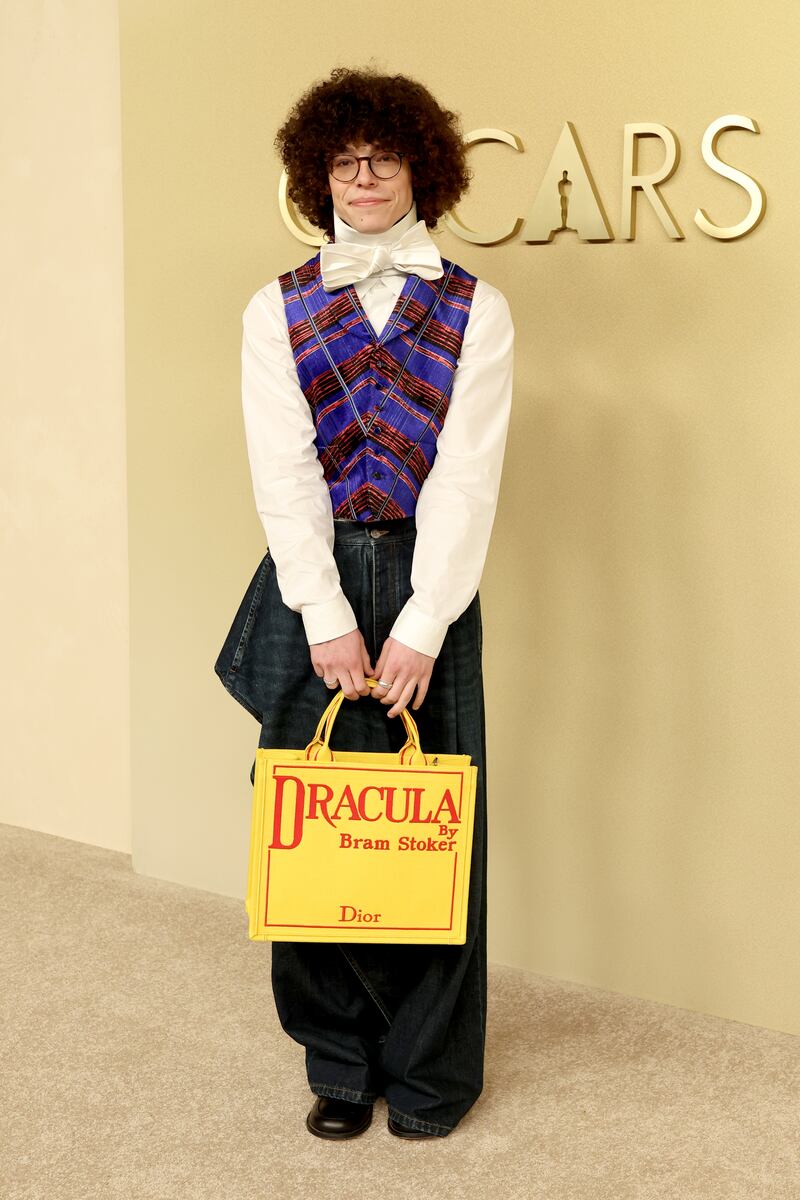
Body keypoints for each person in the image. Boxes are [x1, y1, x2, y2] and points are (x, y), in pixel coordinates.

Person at [214, 65, 514, 1140]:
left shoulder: (479, 308)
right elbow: (280, 470)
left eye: (381, 158)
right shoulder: (274, 308)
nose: (363, 177)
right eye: (343, 161)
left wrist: (421, 625)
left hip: (433, 577)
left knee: (437, 834)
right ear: (317, 173)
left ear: (417, 167)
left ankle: (432, 1075)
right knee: (309, 832)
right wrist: (327, 616)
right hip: (315, 581)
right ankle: (339, 1064)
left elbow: (465, 478)